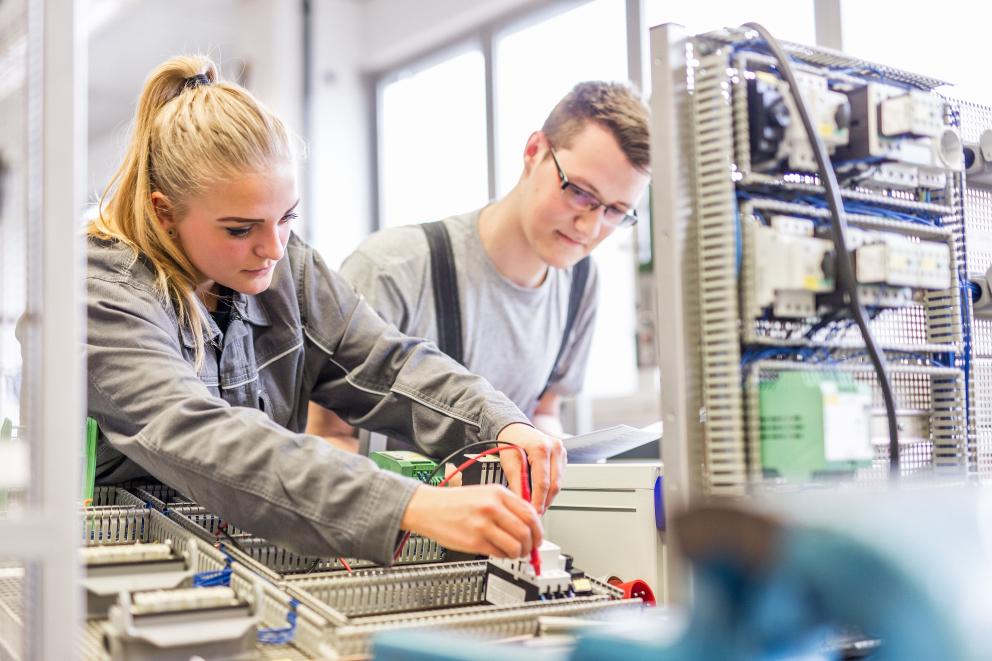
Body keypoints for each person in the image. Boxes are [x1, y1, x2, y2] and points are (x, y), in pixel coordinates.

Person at [84, 55, 565, 565]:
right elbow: (203, 436)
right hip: (121, 573)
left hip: (245, 564)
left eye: (287, 217)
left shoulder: (288, 271)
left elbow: (386, 364)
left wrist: (501, 424)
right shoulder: (102, 295)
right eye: (240, 229)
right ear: (164, 212)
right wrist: (409, 504)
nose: (273, 248)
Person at [307, 81, 651, 449]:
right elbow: (326, 436)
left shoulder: (580, 283)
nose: (590, 227)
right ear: (534, 152)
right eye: (580, 192)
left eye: (615, 211)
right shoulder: (391, 270)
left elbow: (542, 412)